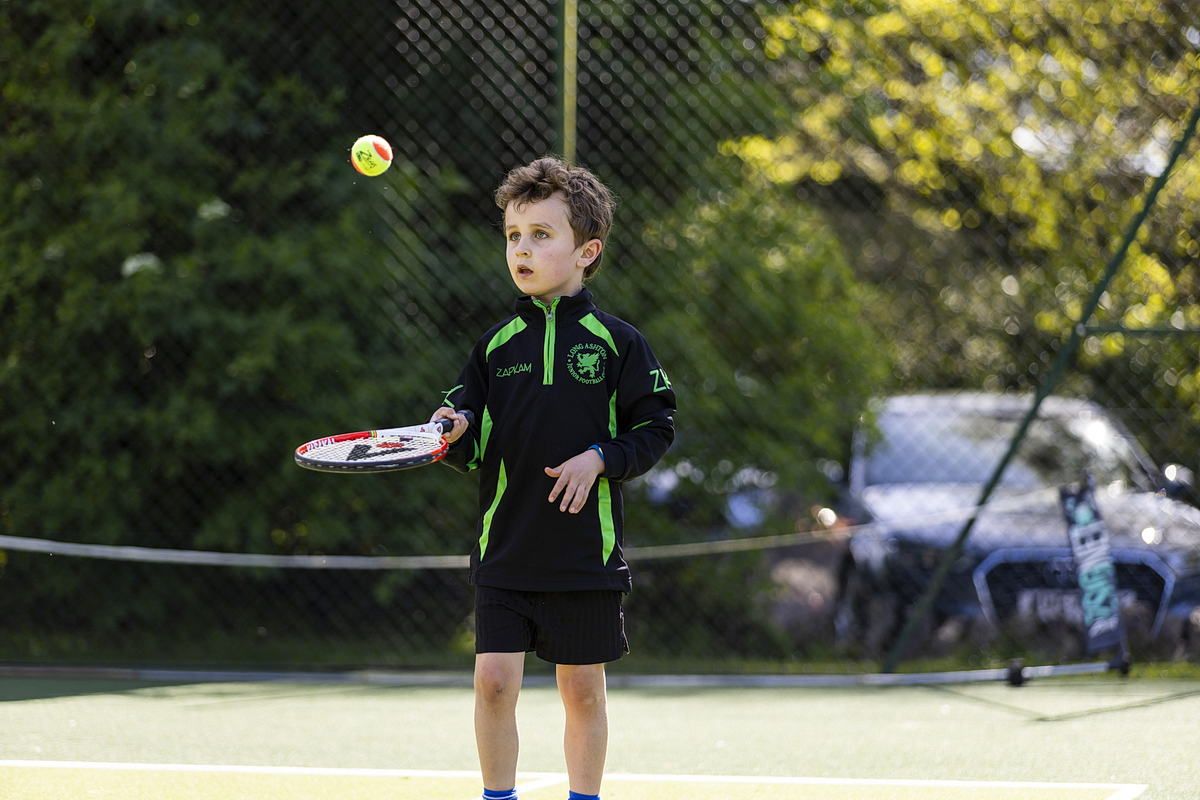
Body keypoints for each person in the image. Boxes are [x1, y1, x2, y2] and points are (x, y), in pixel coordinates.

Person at [432, 157, 676, 800]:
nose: (522, 248)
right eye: (514, 235)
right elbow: (468, 440)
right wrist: (452, 433)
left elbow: (655, 428)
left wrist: (600, 458)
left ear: (586, 251)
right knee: (493, 682)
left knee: (583, 690)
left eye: (541, 235)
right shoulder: (493, 348)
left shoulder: (618, 344)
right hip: (506, 550)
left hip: (583, 555)